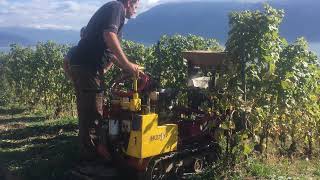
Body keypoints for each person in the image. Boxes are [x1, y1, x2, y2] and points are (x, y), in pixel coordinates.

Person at [69, 0, 142, 161]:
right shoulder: (117, 8)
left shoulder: (112, 9)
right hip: (89, 66)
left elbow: (110, 53)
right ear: (129, 2)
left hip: (81, 64)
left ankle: (86, 153)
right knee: (94, 111)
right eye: (136, 6)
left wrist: (126, 66)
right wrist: (127, 64)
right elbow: (109, 35)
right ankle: (94, 159)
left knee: (85, 110)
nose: (136, 10)